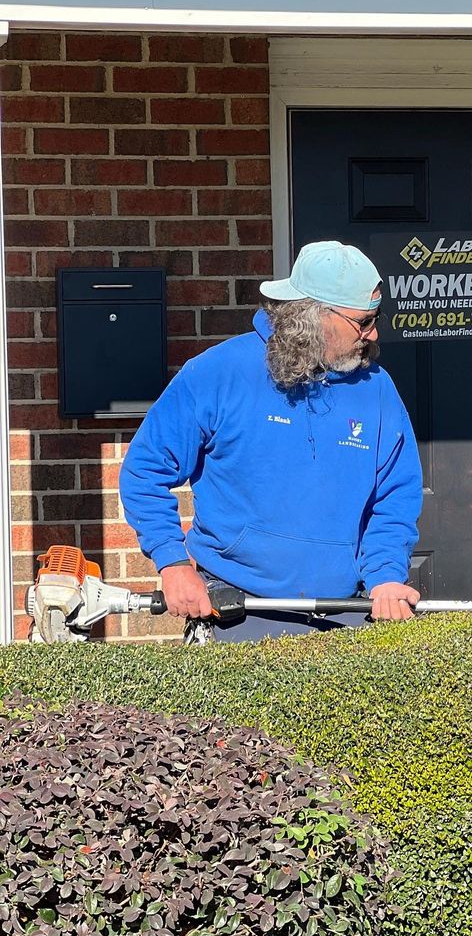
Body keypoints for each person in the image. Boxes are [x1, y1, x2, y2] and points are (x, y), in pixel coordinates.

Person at [120, 240, 423, 641]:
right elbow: (144, 471)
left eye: (375, 317)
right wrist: (173, 563)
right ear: (314, 315)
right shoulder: (218, 373)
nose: (373, 332)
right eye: (363, 321)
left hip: (346, 611)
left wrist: (385, 575)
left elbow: (394, 498)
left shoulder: (377, 389)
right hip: (235, 611)